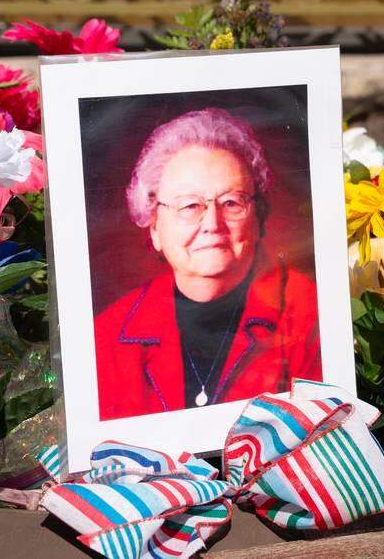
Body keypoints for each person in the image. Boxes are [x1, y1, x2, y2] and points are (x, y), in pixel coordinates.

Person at [93, 107, 321, 420]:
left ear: (259, 216)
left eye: (231, 202)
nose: (212, 223)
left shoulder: (312, 314)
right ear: (154, 227)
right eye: (189, 206)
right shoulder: (106, 336)